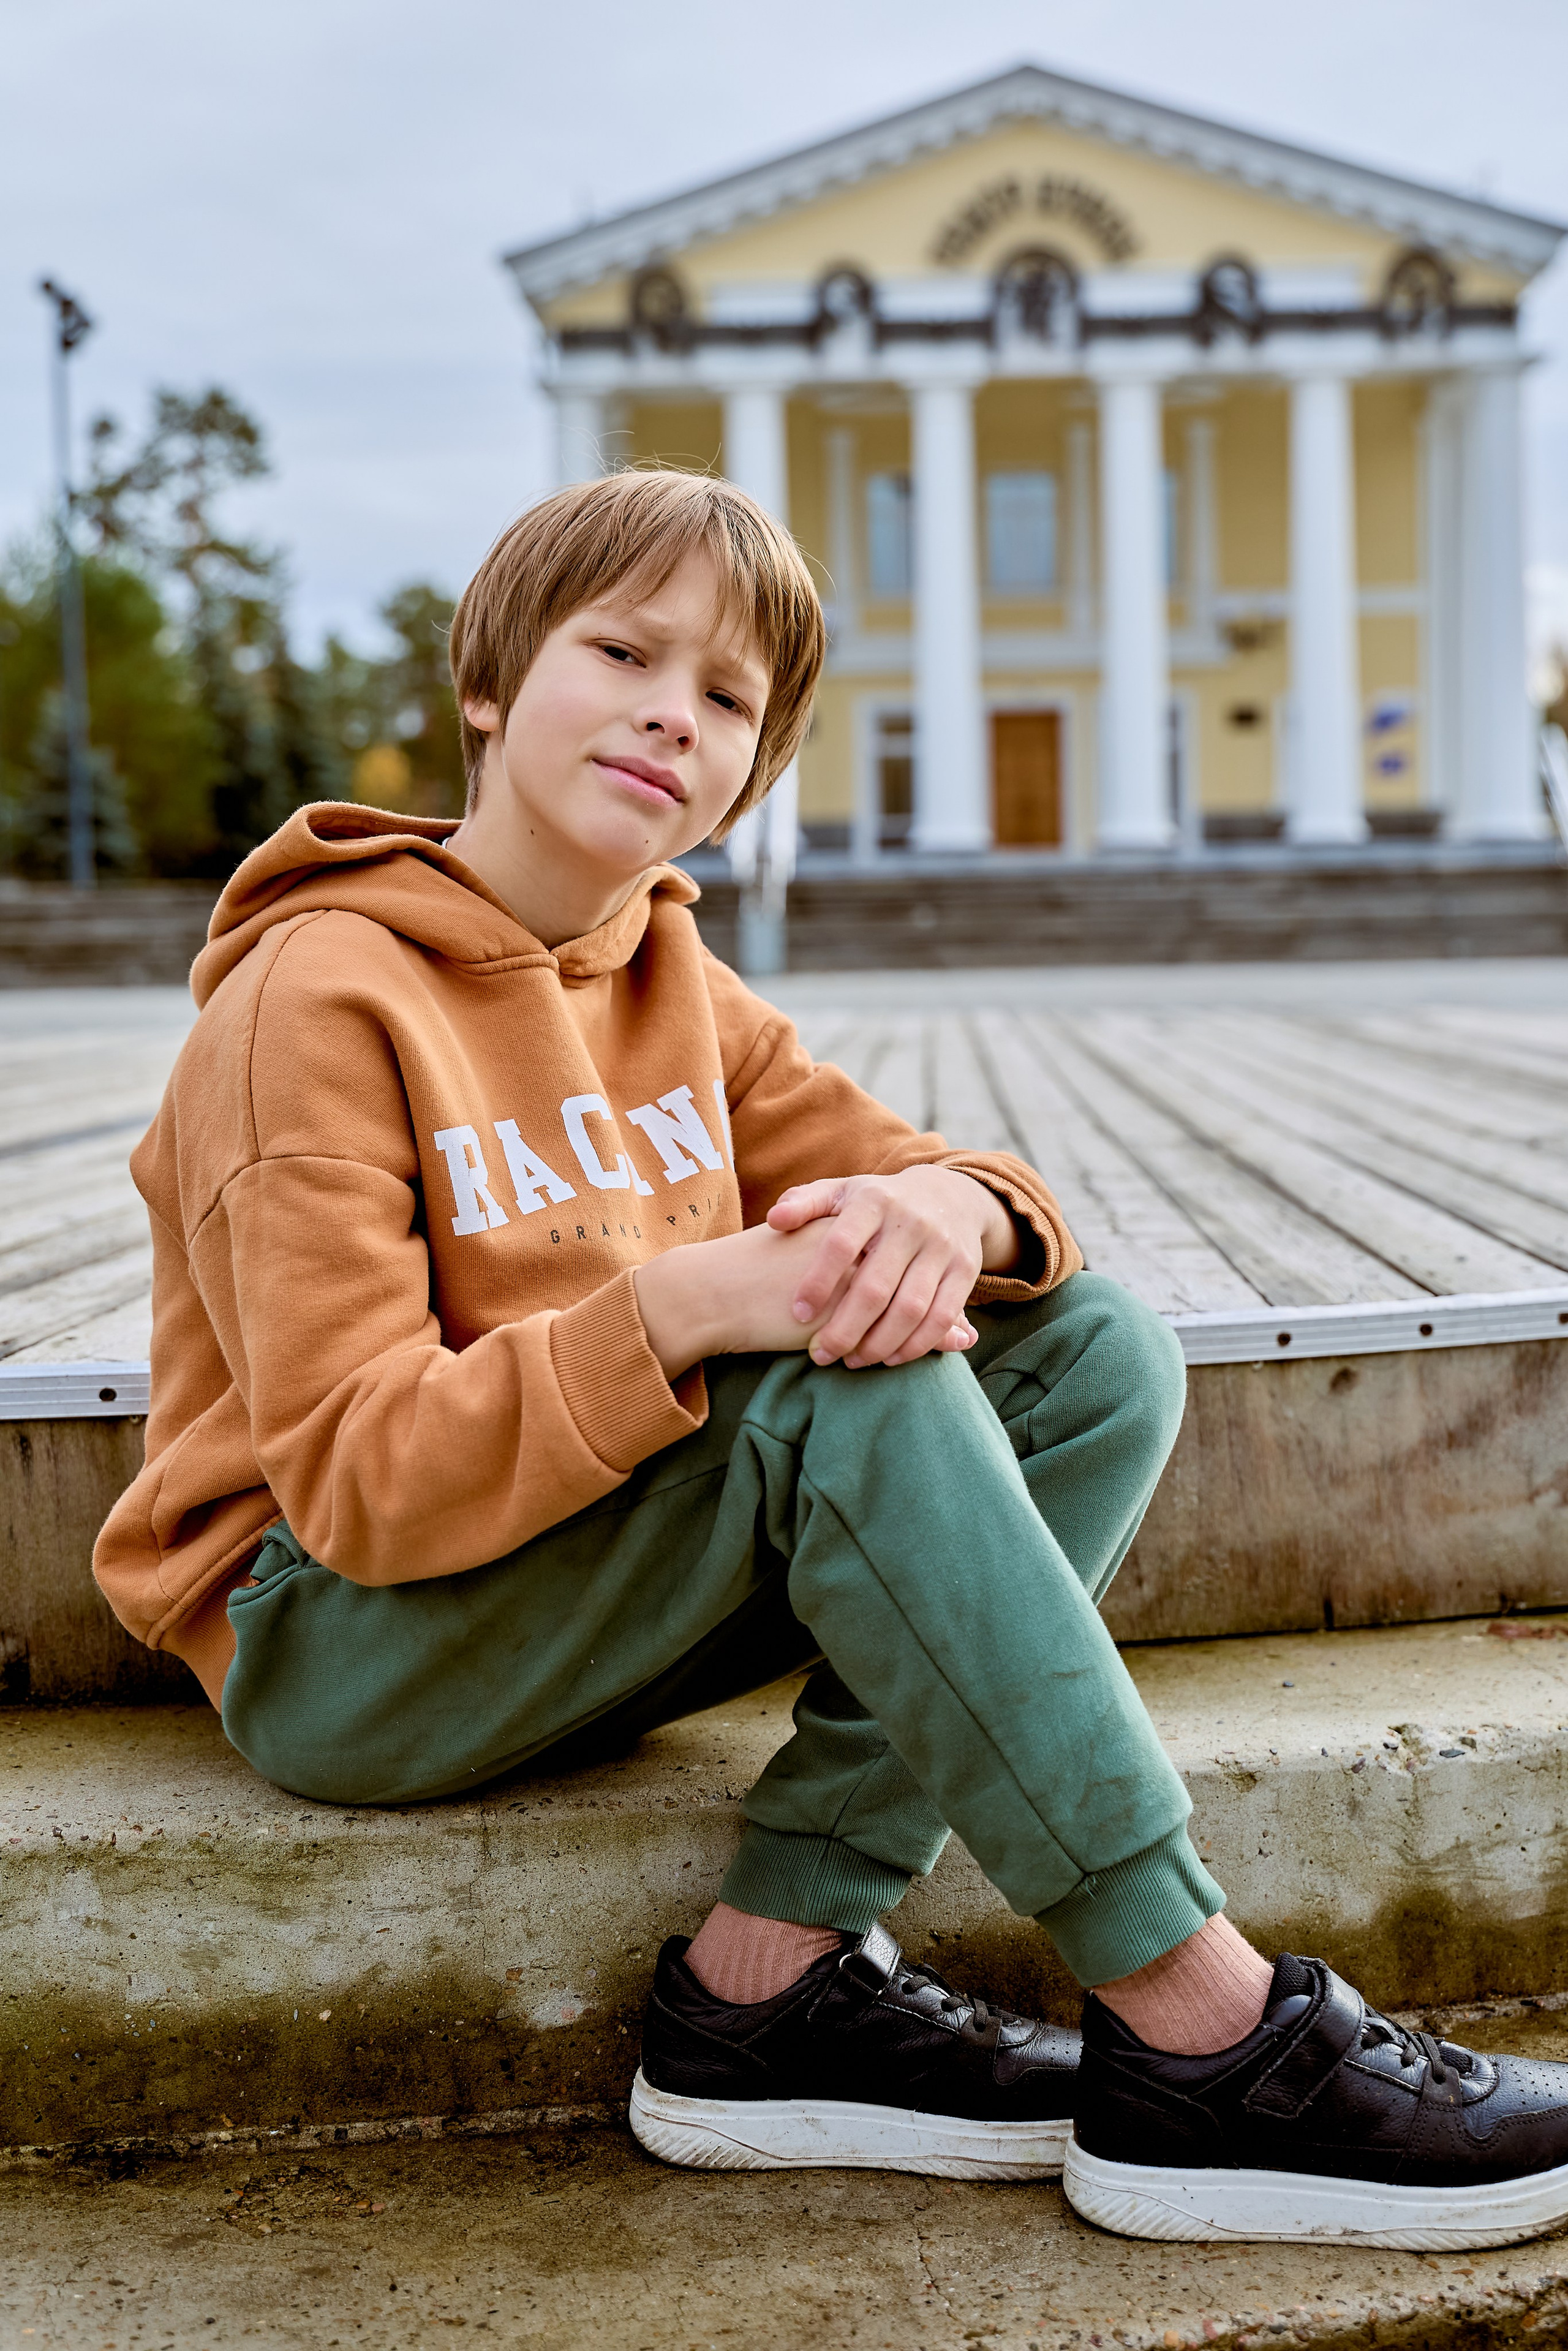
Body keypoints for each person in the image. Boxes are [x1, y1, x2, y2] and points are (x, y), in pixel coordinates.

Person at [96, 469, 1568, 2251]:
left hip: (551, 1568)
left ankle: (769, 1983)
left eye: (727, 699)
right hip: (336, 1631)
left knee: (1086, 1352)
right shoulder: (312, 1002)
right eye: (624, 650)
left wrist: (951, 1214)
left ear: (751, 771)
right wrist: (693, 1308)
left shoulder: (670, 980)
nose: (672, 710)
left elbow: (976, 1202)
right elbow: (366, 1482)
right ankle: (1201, 2026)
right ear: (486, 683)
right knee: (823, 1376)